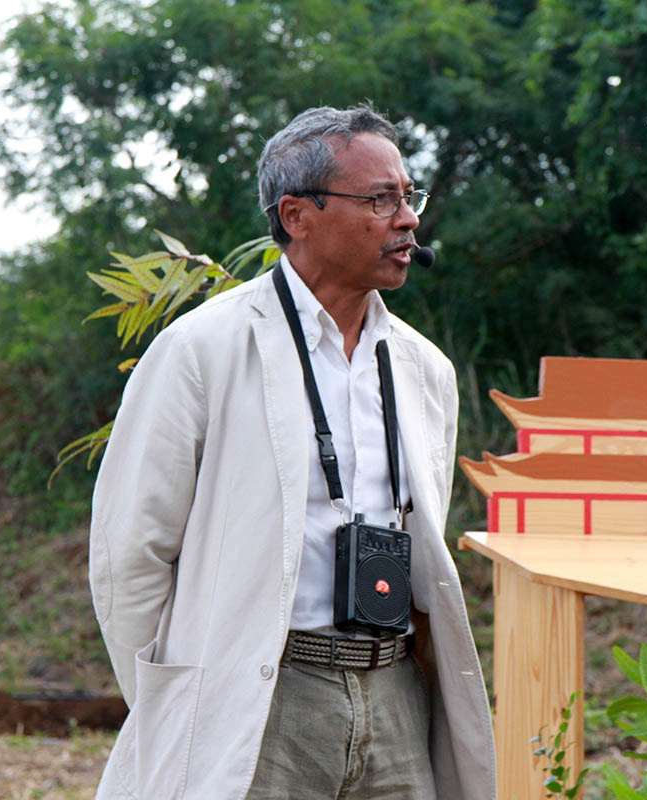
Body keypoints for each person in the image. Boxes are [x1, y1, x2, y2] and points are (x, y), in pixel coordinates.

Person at [89, 104, 495, 799]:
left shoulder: (425, 370)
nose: (408, 220)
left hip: (396, 692)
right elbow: (131, 554)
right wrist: (176, 699)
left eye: (408, 197)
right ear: (297, 215)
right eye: (379, 199)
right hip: (262, 694)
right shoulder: (202, 351)